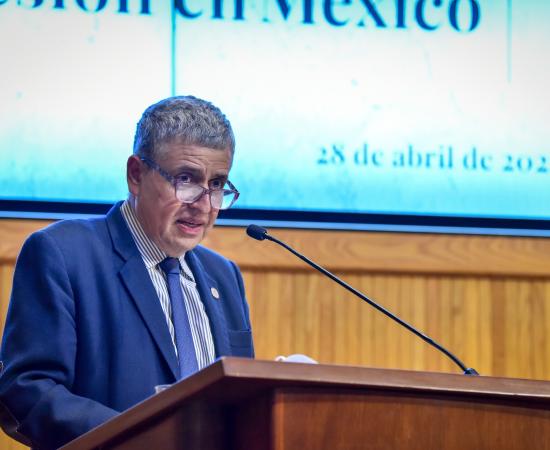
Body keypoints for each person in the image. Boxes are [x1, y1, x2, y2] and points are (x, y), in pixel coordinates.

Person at [0, 96, 254, 449]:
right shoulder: (63, 254)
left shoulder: (224, 276)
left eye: (216, 185)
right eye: (186, 179)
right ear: (136, 175)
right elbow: (26, 390)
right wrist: (144, 439)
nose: (204, 204)